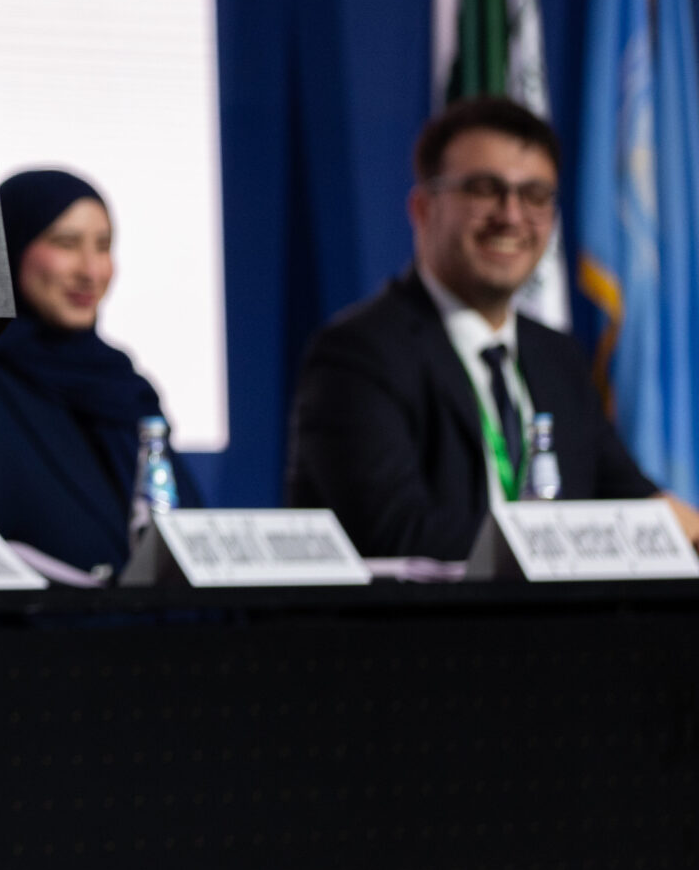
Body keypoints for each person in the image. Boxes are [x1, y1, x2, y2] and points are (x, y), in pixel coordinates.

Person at [287, 96, 699, 560]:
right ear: (423, 208)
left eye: (536, 195)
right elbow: (395, 533)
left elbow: (632, 497)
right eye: (485, 189)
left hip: (567, 632)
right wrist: (581, 544)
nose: (512, 215)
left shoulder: (557, 358)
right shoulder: (358, 355)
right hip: (429, 631)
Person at [0, 168, 199, 577]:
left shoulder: (128, 391)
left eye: (103, 246)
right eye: (66, 243)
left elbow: (183, 539)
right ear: (9, 246)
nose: (90, 271)